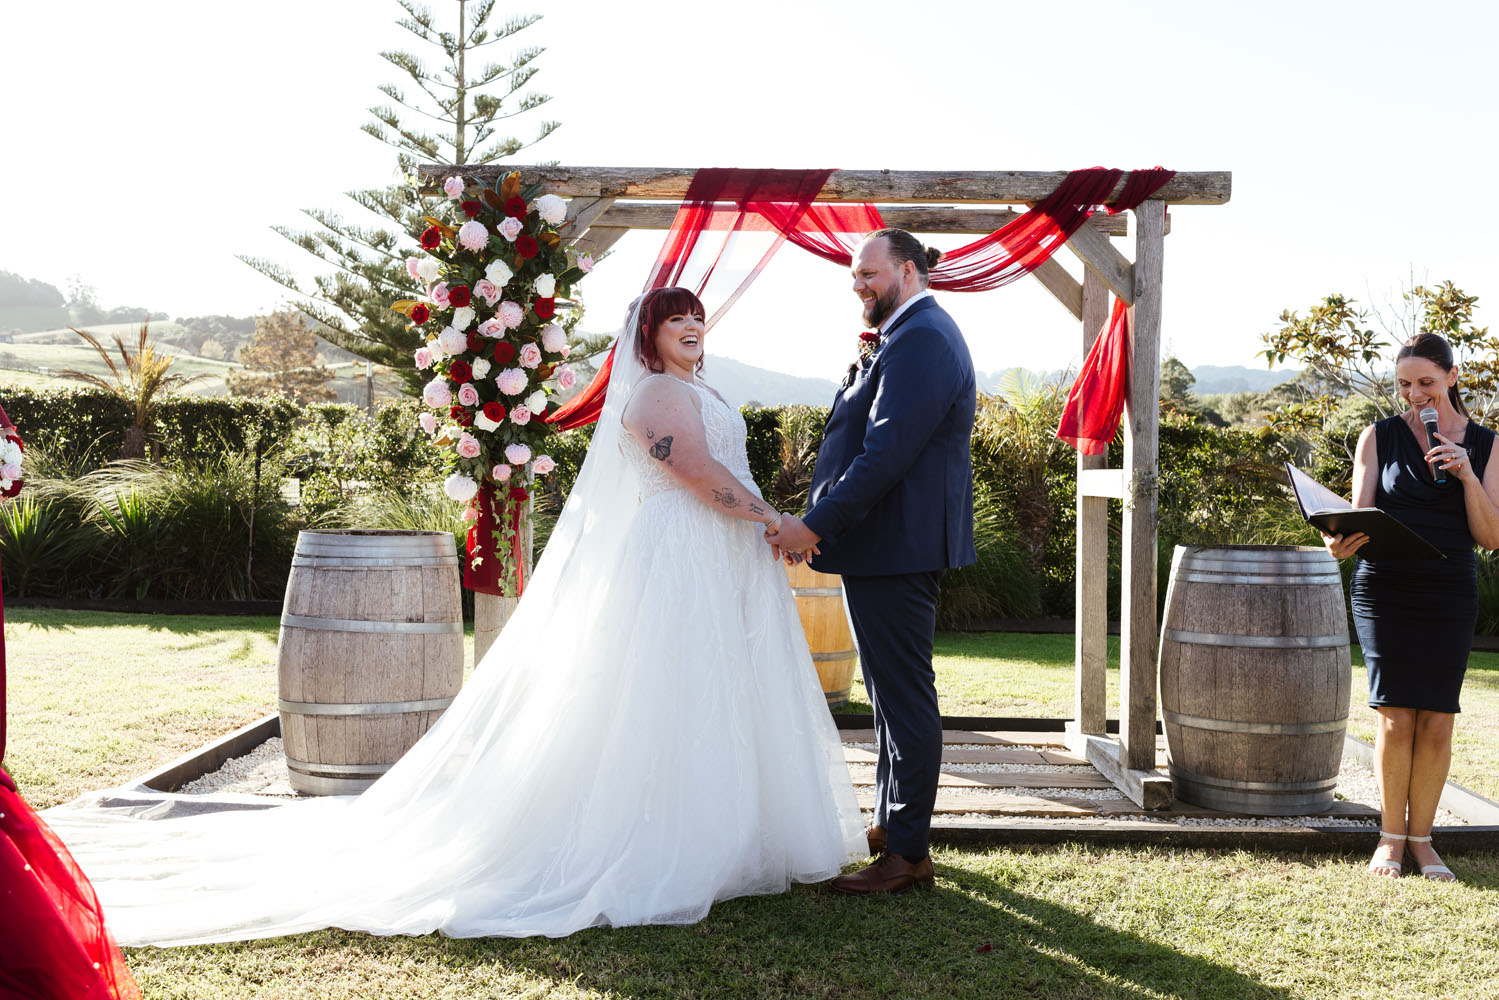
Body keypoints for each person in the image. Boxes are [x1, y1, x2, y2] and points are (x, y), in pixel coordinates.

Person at [43, 287, 864, 945]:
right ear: (645, 338)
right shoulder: (650, 393)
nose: (689, 324)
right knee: (663, 690)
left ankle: (725, 837)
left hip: (713, 554)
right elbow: (686, 465)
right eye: (671, 317)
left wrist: (759, 521)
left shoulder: (697, 386)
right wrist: (767, 520)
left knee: (712, 688)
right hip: (676, 554)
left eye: (695, 316)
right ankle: (661, 840)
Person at [767, 228, 977, 895]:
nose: (858, 284)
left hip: (898, 545)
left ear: (909, 272)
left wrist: (812, 526)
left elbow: (886, 454)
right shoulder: (903, 334)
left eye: (869, 273)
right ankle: (892, 825)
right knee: (888, 699)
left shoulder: (922, 338)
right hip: (884, 546)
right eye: (854, 275)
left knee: (905, 699)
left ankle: (908, 855)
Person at [1323, 332, 1499, 882]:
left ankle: (1424, 842)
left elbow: (1491, 537)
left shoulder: (1489, 445)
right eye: (1404, 385)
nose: (1415, 395)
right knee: (1397, 719)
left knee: (1439, 722)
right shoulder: (1376, 438)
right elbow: (1359, 515)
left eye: (1425, 382)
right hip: (1385, 589)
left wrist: (1468, 473)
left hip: (1448, 591)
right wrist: (1337, 541)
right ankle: (1390, 840)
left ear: (1451, 377)